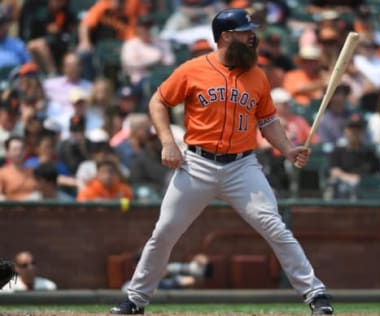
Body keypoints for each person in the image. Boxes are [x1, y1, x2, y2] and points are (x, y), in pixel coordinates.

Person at [110, 8, 333, 316]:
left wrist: (289, 149)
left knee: (276, 228)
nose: (251, 36)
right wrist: (167, 142)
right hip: (197, 164)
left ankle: (315, 293)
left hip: (242, 166)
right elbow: (158, 100)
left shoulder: (257, 75)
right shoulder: (193, 69)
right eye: (245, 31)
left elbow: (267, 121)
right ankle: (135, 299)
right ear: (226, 36)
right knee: (164, 233)